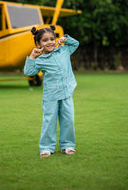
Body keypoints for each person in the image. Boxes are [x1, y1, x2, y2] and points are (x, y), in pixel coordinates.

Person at [24, 25, 79, 157]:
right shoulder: (41, 61)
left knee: (68, 120)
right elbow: (29, 72)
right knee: (49, 121)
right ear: (38, 43)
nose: (50, 42)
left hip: (66, 94)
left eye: (52, 39)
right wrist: (32, 56)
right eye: (45, 40)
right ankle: (46, 147)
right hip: (51, 96)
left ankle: (67, 145)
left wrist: (65, 38)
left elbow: (75, 44)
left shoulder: (64, 50)